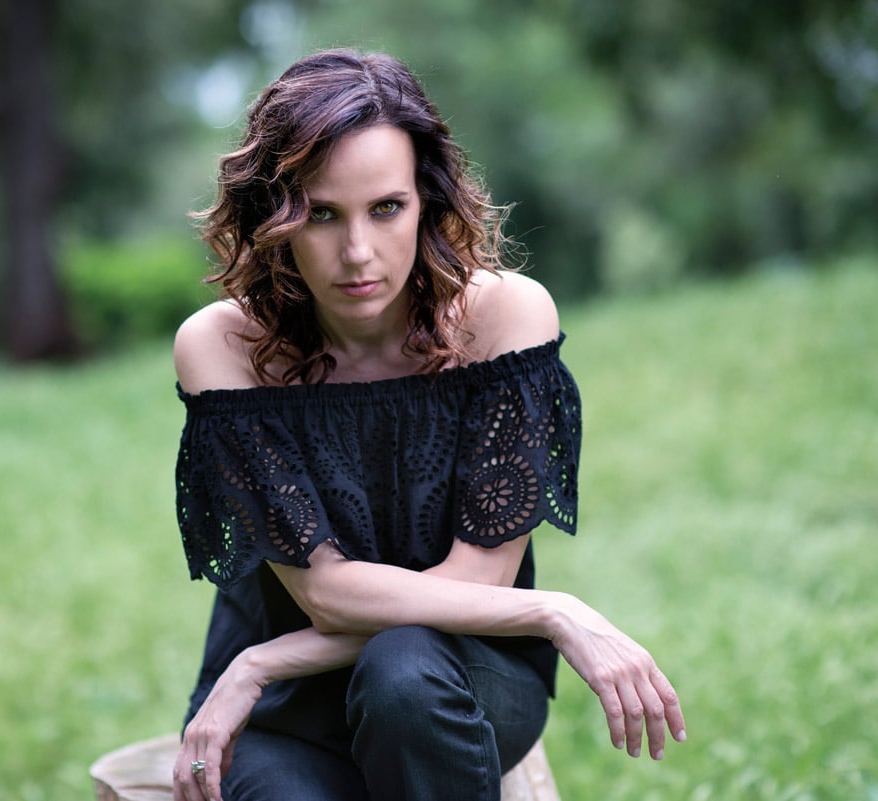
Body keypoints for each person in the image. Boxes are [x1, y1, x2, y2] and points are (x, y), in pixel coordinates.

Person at [170, 49, 685, 801]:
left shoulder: (506, 318)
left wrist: (266, 660)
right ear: (273, 220)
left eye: (386, 208)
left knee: (403, 669)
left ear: (428, 201)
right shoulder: (224, 347)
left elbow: (476, 584)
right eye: (321, 214)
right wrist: (555, 610)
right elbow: (328, 593)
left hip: (459, 672)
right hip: (283, 712)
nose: (357, 254)